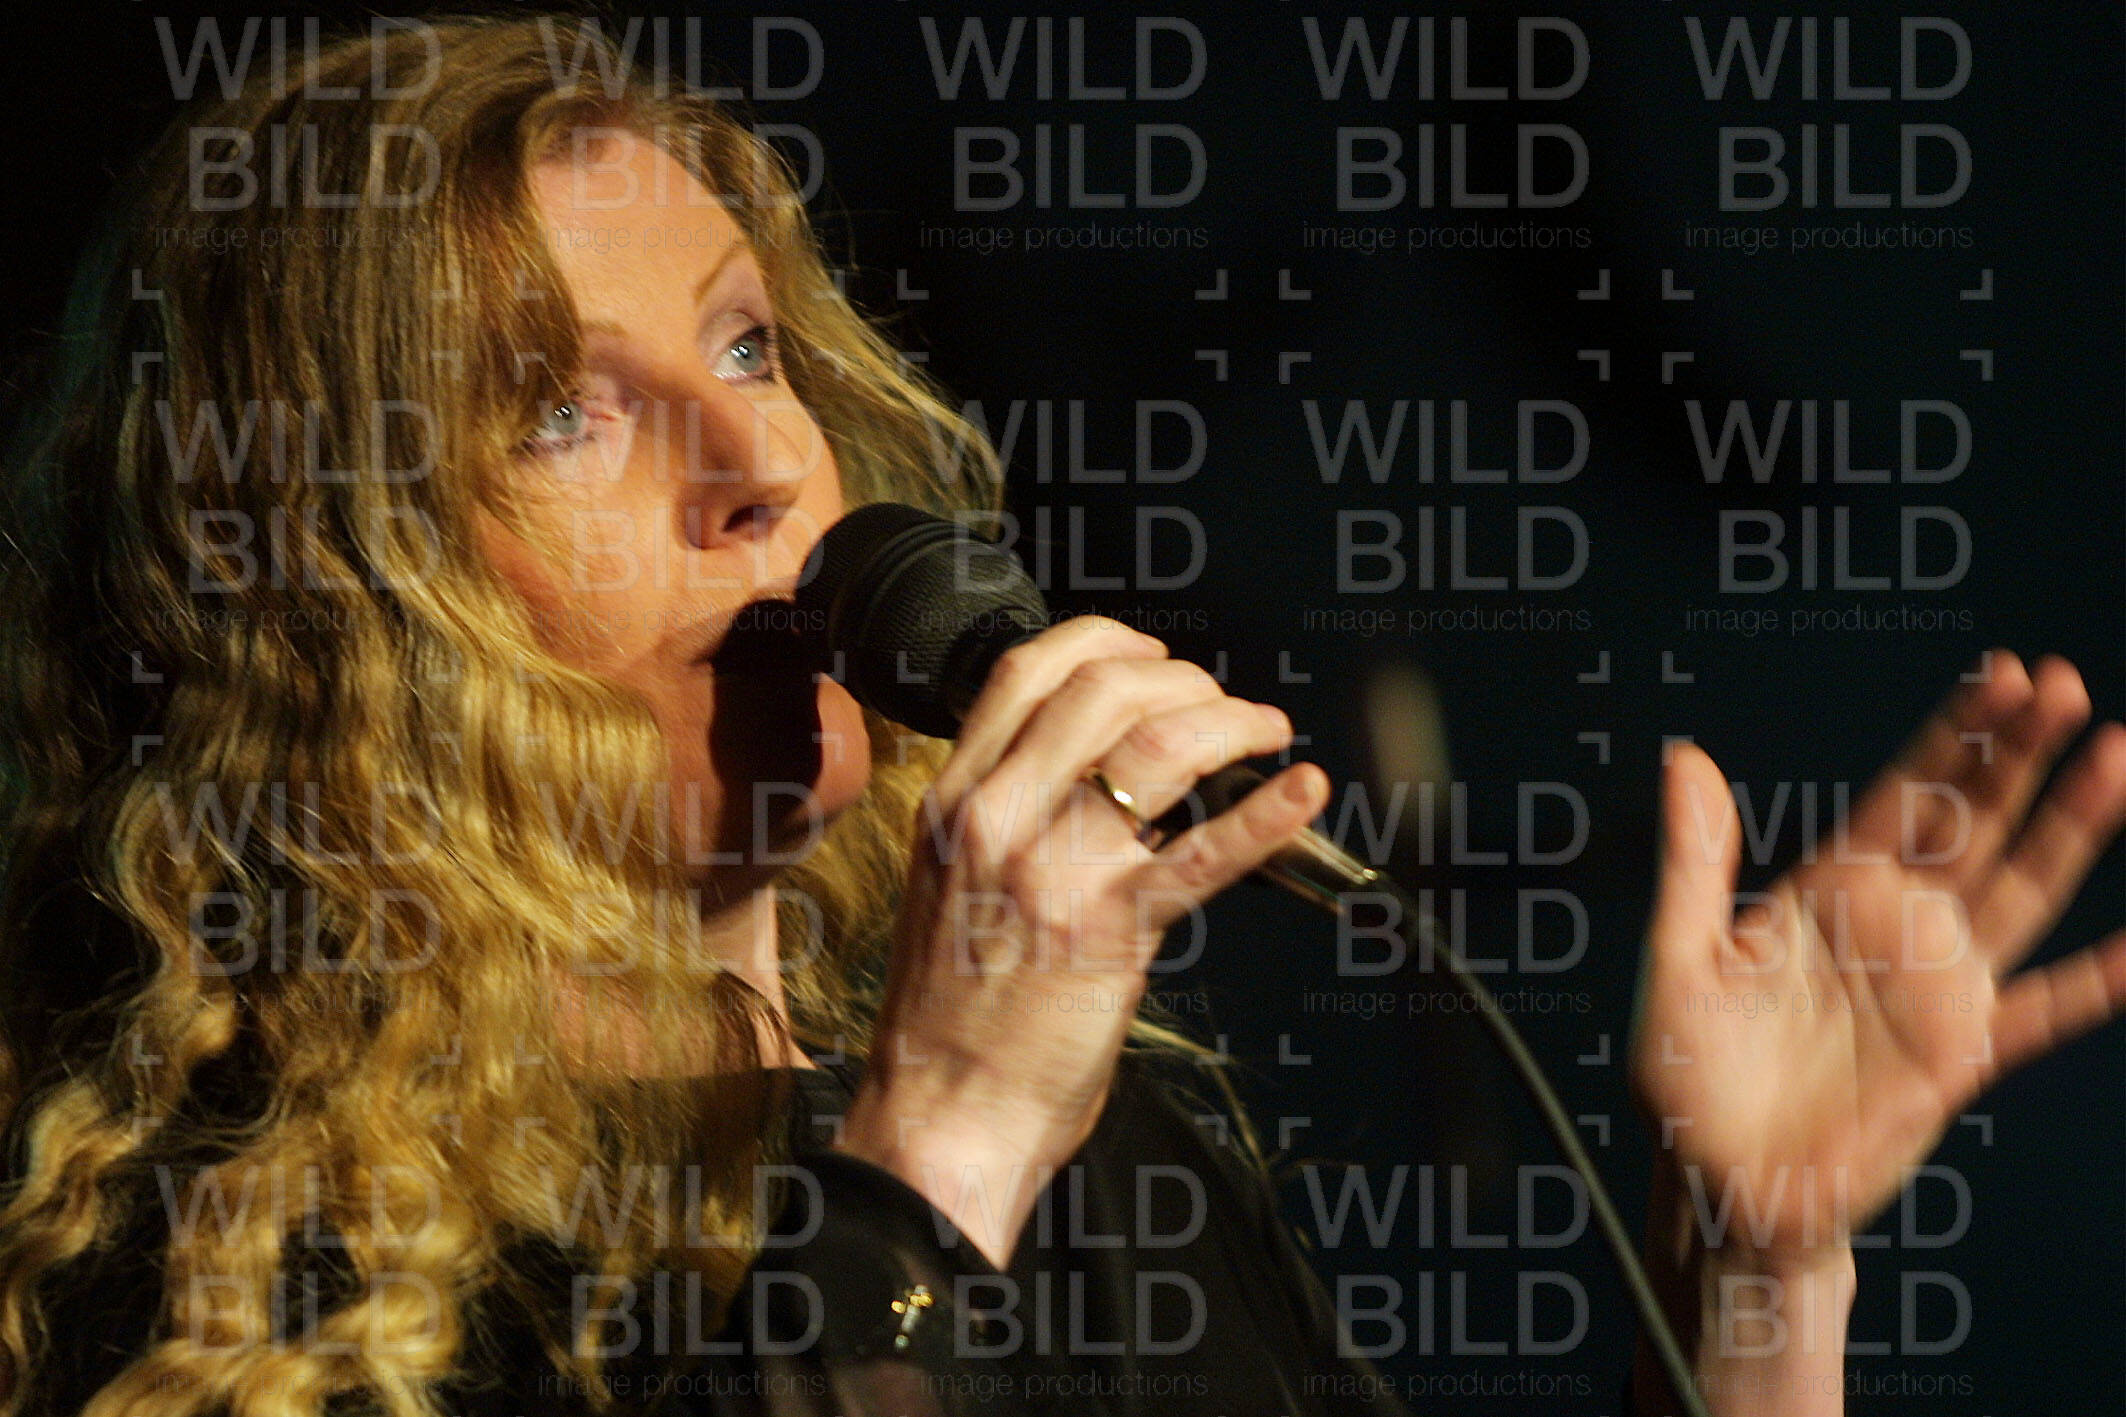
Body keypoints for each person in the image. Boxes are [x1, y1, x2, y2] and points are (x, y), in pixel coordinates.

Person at [0, 15, 2120, 1417]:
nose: (757, 465)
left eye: (745, 345)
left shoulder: (1129, 1157)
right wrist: (939, 1152)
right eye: (562, 411)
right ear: (318, 604)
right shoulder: (216, 1277)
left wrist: (1746, 1290)